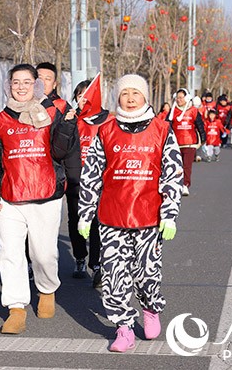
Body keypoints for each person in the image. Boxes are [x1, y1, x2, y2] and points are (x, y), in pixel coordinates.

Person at [77, 74, 183, 353]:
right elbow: (92, 174)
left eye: (136, 93)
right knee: (114, 275)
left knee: (148, 274)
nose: (131, 98)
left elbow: (172, 174)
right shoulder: (107, 130)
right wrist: (86, 213)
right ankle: (123, 327)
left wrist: (169, 213)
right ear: (118, 98)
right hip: (112, 217)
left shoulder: (162, 130)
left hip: (149, 218)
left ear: (145, 97)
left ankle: (150, 309)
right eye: (125, 93)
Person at [0, 64, 78, 335]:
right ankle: (16, 308)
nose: (21, 87)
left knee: (43, 254)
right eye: (16, 82)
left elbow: (60, 152)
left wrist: (68, 125)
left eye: (27, 82)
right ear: (8, 86)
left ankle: (47, 290)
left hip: (45, 194)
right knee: (10, 254)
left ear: (36, 85)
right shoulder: (0, 120)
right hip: (10, 199)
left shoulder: (51, 113)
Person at [36, 62, 85, 279]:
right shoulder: (24, 106)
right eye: (38, 77)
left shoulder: (64, 107)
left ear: (55, 83)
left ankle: (81, 257)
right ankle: (36, 263)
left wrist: (74, 178)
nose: (42, 82)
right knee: (40, 221)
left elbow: (72, 146)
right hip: (40, 174)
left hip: (66, 170)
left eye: (47, 78)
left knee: (75, 217)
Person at [73, 78, 113, 288]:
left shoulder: (109, 121)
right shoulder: (72, 120)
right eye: (79, 96)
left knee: (98, 223)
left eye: (87, 96)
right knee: (77, 223)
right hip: (76, 181)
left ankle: (96, 265)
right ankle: (80, 258)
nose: (83, 100)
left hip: (102, 182)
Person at [168, 88, 205, 196]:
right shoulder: (173, 111)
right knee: (176, 166)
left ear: (187, 98)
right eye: (177, 98)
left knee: (187, 165)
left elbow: (200, 125)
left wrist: (203, 138)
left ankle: (185, 185)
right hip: (176, 143)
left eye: (181, 97)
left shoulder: (193, 110)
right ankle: (176, 185)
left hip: (190, 142)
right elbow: (167, 125)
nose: (179, 100)